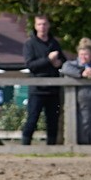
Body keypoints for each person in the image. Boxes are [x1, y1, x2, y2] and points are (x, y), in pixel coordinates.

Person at [22, 14, 65, 145]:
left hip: (53, 89)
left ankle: (51, 147)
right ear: (35, 26)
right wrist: (48, 60)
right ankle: (25, 146)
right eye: (39, 24)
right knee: (32, 119)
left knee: (53, 120)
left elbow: (63, 60)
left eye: (45, 24)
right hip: (37, 89)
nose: (42, 27)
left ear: (49, 25)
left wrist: (59, 63)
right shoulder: (30, 44)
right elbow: (31, 66)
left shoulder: (54, 43)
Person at [60, 37, 91, 144]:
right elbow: (65, 67)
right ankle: (83, 144)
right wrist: (82, 73)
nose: (83, 57)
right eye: (81, 54)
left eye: (86, 54)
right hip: (80, 100)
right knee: (82, 122)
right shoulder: (72, 65)